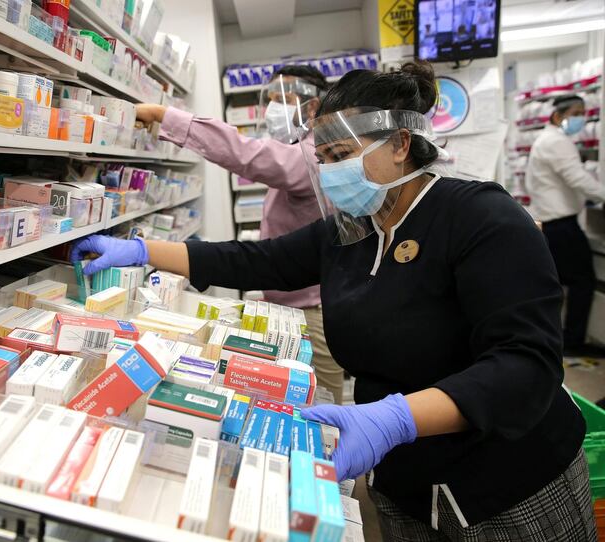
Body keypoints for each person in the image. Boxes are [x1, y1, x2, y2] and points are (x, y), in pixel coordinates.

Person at [74, 62, 596, 541]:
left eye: (342, 156)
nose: (328, 173)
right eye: (322, 159)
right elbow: (254, 261)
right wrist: (143, 250)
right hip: (404, 486)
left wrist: (396, 418)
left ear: (400, 143)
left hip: (509, 487)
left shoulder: (482, 219)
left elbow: (526, 366)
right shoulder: (352, 231)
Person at [134, 65, 347, 403]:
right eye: (271, 99)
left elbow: (246, 154)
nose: (274, 108)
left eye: (285, 99)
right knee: (284, 407)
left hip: (313, 317)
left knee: (320, 417)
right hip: (289, 308)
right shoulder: (301, 150)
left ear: (312, 108)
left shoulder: (313, 156)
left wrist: (164, 115)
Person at [526, 94, 605, 358]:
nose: (581, 117)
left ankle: (556, 339)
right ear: (558, 116)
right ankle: (572, 341)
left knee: (555, 285)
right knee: (583, 281)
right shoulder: (557, 142)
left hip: (552, 223)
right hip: (561, 225)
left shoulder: (545, 140)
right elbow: (577, 178)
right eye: (577, 112)